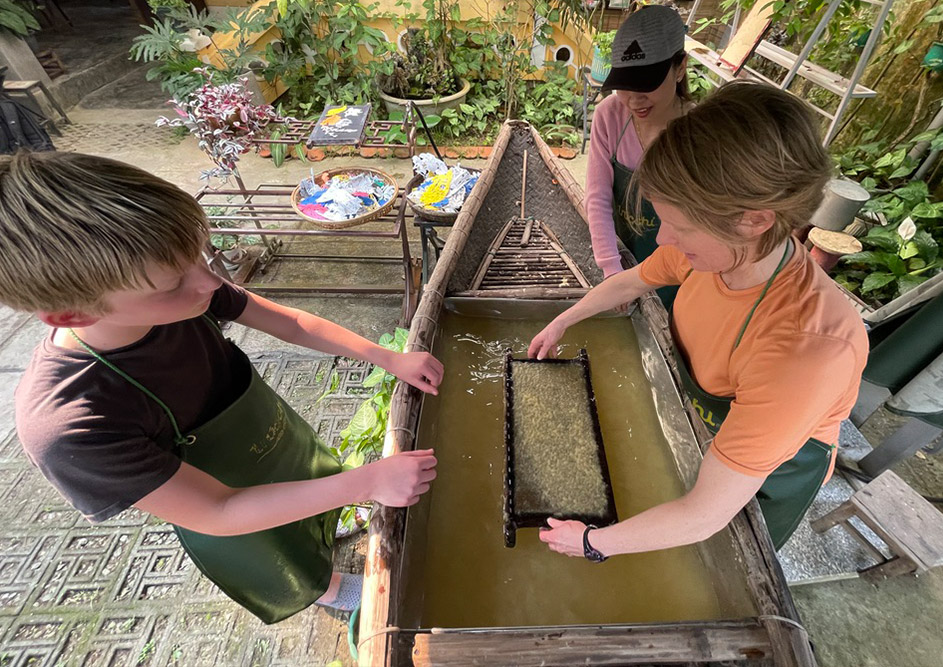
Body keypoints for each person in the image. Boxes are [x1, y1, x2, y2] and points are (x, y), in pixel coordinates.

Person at [2, 151, 441, 623]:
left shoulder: (189, 289)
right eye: (173, 283)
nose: (211, 282)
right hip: (223, 502)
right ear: (72, 314)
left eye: (203, 252)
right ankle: (327, 588)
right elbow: (219, 510)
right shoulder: (70, 425)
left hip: (268, 436)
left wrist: (387, 357)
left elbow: (291, 322)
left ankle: (332, 513)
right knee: (282, 554)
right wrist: (369, 480)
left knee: (316, 481)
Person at [530, 82, 868, 559]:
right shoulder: (708, 256)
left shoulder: (803, 352)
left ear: (755, 220)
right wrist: (566, 318)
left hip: (774, 473)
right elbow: (631, 282)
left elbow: (704, 514)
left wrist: (590, 541)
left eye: (682, 226)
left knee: (732, 551)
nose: (664, 237)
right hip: (713, 419)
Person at [586, 4, 691, 307]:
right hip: (623, 255)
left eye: (646, 84)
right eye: (624, 85)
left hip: (680, 270)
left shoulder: (698, 132)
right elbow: (597, 195)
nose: (634, 100)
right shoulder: (610, 116)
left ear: (680, 66)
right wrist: (611, 268)